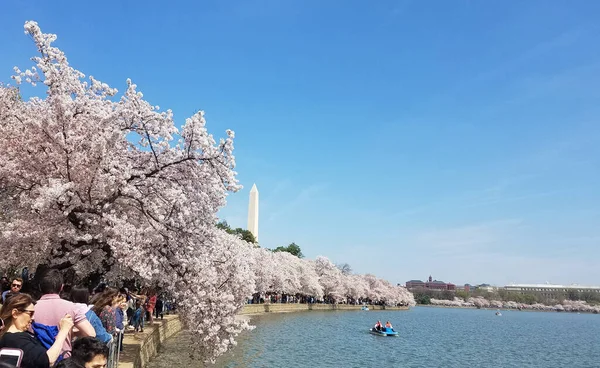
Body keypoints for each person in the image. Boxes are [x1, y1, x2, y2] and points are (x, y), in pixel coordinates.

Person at [0, 293, 74, 368]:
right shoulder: (15, 339)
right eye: (30, 313)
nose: (33, 318)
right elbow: (48, 360)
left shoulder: (11, 336)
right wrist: (64, 330)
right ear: (15, 313)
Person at [33, 270, 95, 357]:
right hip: (63, 357)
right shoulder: (71, 307)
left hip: (36, 357)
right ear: (61, 287)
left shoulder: (31, 308)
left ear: (40, 286)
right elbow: (91, 333)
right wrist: (72, 333)